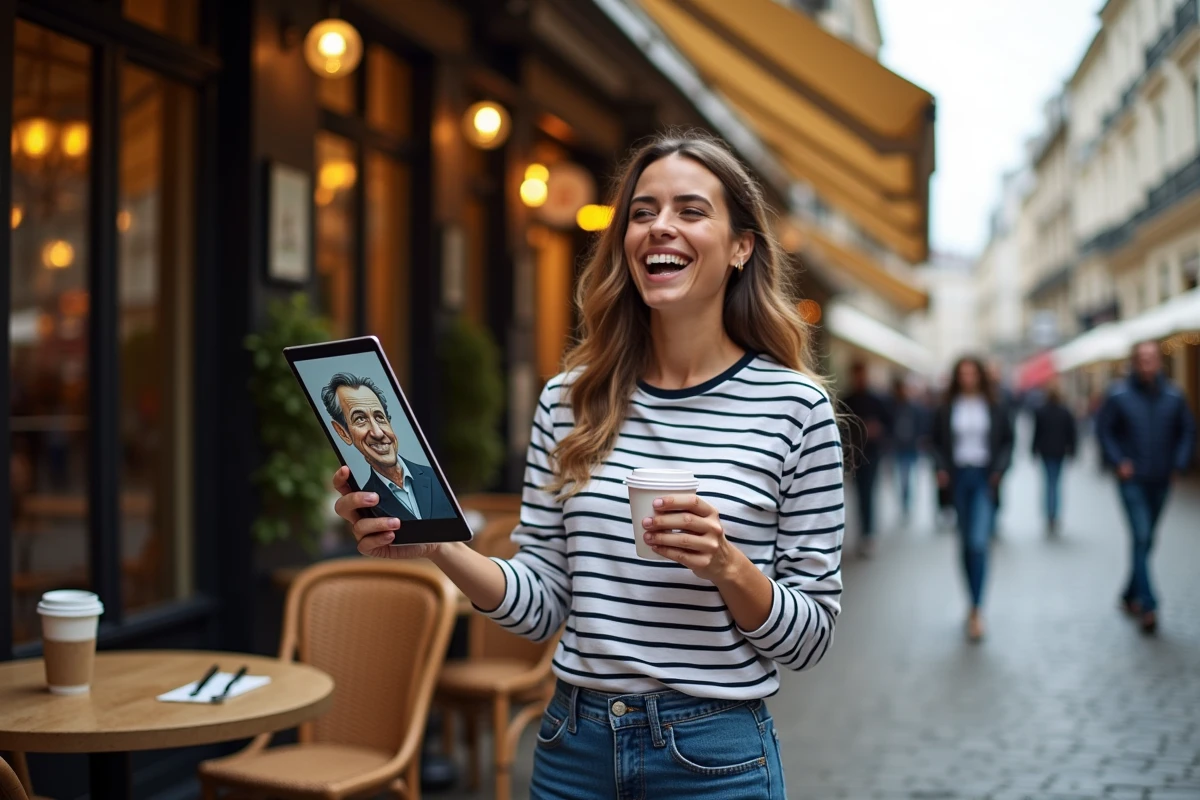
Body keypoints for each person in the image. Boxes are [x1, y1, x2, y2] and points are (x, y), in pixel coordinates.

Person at [331, 131, 843, 799]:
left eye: (691, 210)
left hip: (715, 758)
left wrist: (727, 565)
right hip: (574, 749)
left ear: (742, 246)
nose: (660, 226)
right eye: (642, 212)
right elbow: (543, 605)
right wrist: (438, 544)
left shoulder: (796, 408)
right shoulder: (568, 400)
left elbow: (809, 638)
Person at [1095, 341, 1196, 634]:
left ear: (1159, 362)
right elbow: (1104, 431)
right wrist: (1118, 461)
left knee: (1147, 539)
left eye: (1152, 358)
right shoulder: (1118, 395)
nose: (1148, 363)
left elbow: (1187, 431)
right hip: (1132, 479)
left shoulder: (1174, 396)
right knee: (1141, 536)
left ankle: (1130, 593)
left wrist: (1179, 463)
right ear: (1135, 362)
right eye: (1143, 358)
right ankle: (1148, 604)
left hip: (1161, 479)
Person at [931, 356, 1014, 642]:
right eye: (963, 374)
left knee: (978, 543)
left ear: (980, 375)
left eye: (972, 373)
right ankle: (971, 601)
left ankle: (978, 609)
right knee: (965, 544)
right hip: (958, 479)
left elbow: (1008, 441)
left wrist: (999, 471)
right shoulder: (946, 407)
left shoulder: (995, 404)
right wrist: (940, 468)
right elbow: (935, 442)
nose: (968, 378)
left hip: (983, 478)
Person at [322, 372, 456, 520]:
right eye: (360, 419)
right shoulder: (366, 502)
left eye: (379, 417)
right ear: (343, 433)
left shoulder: (435, 478)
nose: (378, 433)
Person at [841, 361, 891, 556]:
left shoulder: (876, 399)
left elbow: (888, 423)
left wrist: (878, 430)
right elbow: (841, 426)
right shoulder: (848, 399)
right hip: (854, 455)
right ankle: (864, 532)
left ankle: (868, 533)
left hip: (871, 454)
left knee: (868, 493)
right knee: (859, 494)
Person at [1031, 383, 1077, 536]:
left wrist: (1033, 450)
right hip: (1059, 451)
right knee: (1055, 484)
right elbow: (1072, 434)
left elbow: (1037, 433)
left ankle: (1050, 514)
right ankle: (1053, 513)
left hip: (1046, 451)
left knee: (1049, 483)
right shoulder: (1065, 412)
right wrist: (1073, 450)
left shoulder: (1041, 411)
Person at [888, 375, 926, 523]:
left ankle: (907, 503)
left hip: (910, 447)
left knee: (907, 477)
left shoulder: (914, 407)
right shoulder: (893, 407)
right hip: (898, 447)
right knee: (902, 477)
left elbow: (920, 425)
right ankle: (904, 503)